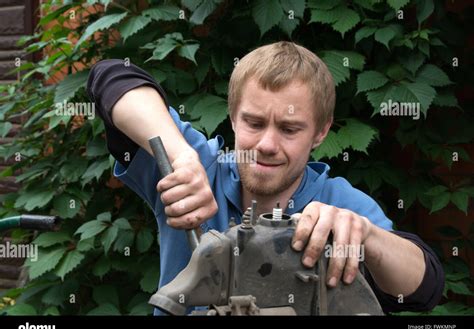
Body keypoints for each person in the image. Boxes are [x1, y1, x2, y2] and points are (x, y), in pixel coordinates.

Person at [87, 41, 444, 315]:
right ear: (232, 117)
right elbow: (110, 76)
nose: (267, 145)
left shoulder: (339, 204)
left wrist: (369, 237)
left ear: (320, 132)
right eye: (254, 123)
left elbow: (424, 288)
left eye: (290, 129)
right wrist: (181, 158)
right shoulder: (198, 167)